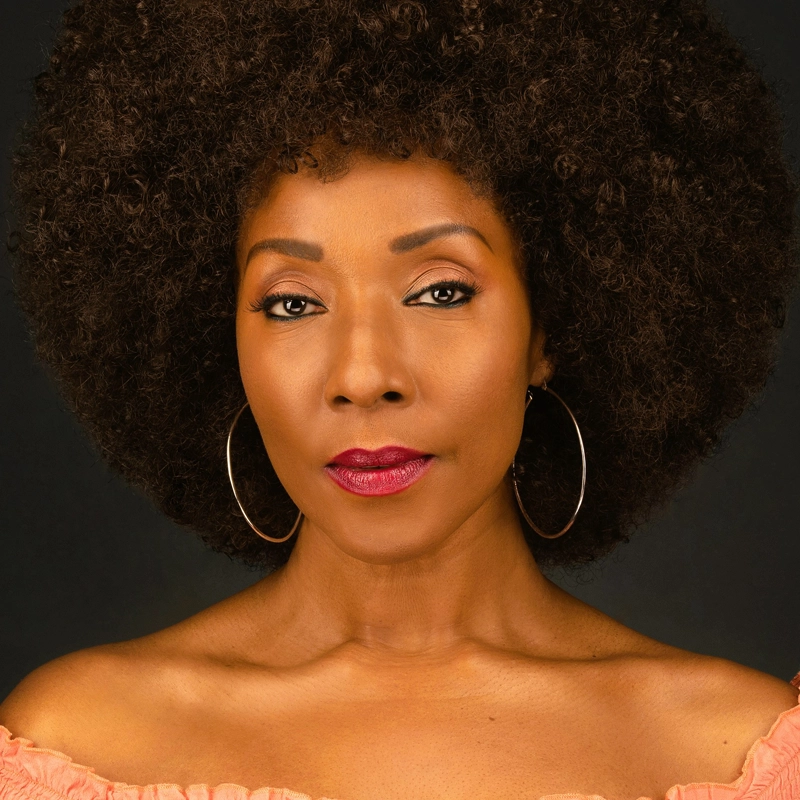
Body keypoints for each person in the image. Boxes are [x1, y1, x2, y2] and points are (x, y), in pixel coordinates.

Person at [1, 0, 799, 798]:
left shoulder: (737, 752)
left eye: (440, 291)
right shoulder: (76, 746)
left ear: (549, 330)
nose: (362, 375)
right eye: (292, 303)